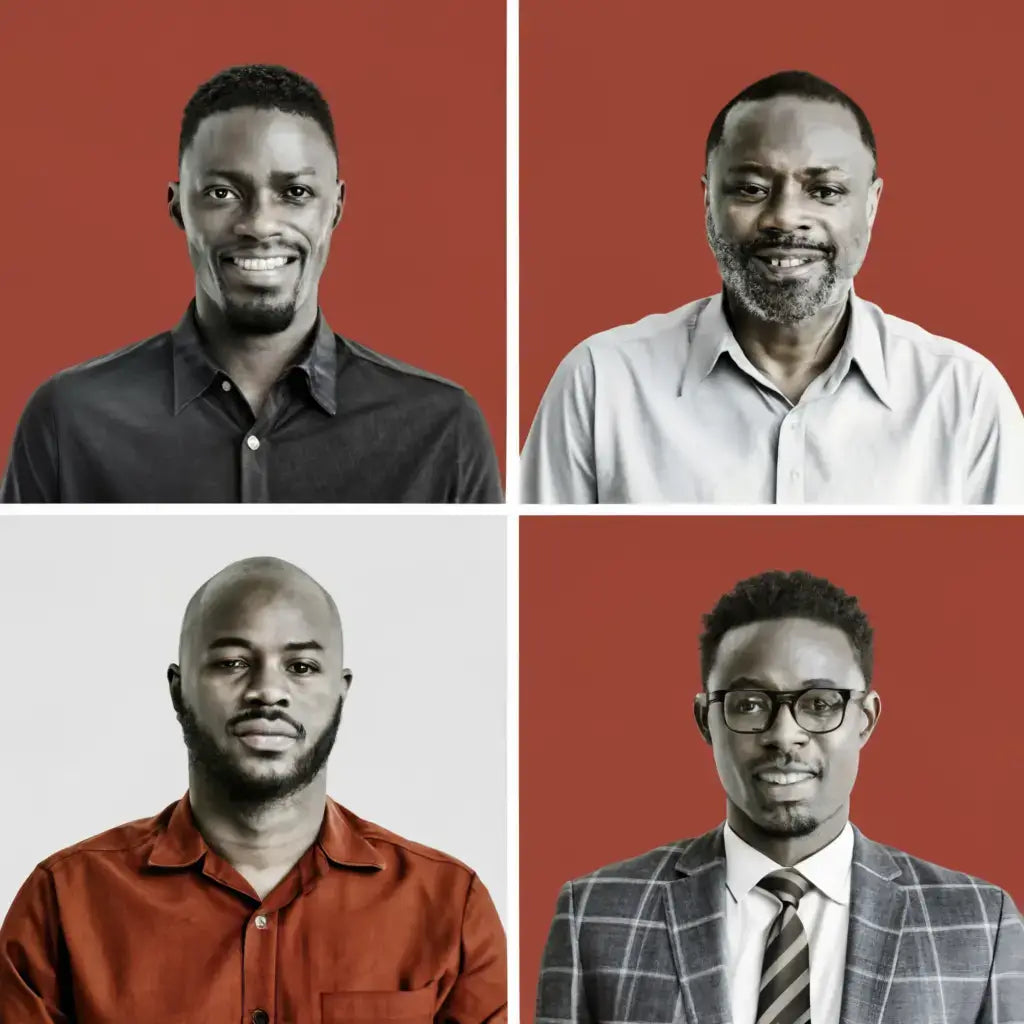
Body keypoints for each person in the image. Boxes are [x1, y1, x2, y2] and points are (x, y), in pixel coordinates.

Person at [0, 557, 507, 1023]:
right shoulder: (63, 902)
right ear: (178, 690)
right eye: (233, 663)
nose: (268, 690)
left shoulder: (448, 907)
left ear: (341, 692)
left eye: (301, 667)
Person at [535, 570, 1022, 1023]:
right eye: (749, 705)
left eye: (819, 704)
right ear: (706, 721)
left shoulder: (981, 925)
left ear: (865, 720)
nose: (785, 735)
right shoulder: (596, 916)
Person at [1, 65, 502, 503]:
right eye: (222, 192)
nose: (261, 225)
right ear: (178, 206)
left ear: (337, 208)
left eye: (296, 192)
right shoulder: (69, 421)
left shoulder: (442, 429)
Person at [521, 71, 1024, 504]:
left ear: (870, 206)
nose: (785, 216)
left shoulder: (964, 398)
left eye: (825, 191)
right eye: (752, 189)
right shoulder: (602, 383)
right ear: (707, 202)